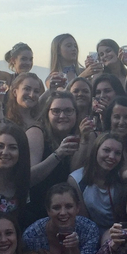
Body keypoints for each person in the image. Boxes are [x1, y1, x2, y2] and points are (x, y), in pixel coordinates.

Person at [26, 91, 85, 223]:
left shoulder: (81, 136)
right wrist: (58, 155)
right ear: (47, 113)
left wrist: (85, 142)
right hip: (37, 211)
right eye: (56, 111)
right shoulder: (36, 133)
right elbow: (28, 178)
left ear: (76, 113)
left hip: (68, 213)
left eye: (68, 110)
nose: (62, 115)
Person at [68, 132, 125, 230]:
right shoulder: (76, 180)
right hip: (90, 232)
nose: (112, 156)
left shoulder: (121, 178)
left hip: (118, 231)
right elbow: (83, 221)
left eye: (117, 153)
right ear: (96, 151)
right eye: (106, 150)